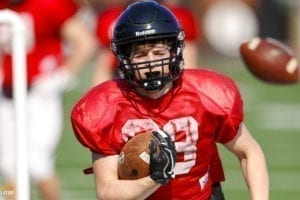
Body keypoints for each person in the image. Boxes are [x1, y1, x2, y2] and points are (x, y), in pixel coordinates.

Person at [70, 1, 269, 199]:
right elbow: (107, 193)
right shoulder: (105, 108)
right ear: (124, 59)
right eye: (140, 55)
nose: (151, 63)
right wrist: (155, 178)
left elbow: (249, 153)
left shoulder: (207, 94)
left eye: (158, 53)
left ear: (174, 52)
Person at [0, 0, 96, 199]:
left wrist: (61, 77)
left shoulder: (47, 4)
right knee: (10, 167)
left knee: (38, 163)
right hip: (7, 94)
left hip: (40, 95)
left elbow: (85, 43)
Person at [91, 0, 201, 85]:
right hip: (125, 81)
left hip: (169, 79)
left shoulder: (179, 16)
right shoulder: (112, 19)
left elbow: (188, 67)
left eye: (159, 53)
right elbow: (104, 68)